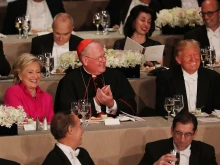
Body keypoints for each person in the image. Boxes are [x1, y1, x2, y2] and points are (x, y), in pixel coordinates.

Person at [54, 39, 137, 116]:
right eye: (99, 57)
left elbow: (132, 107)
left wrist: (111, 103)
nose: (104, 60)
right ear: (85, 60)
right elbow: (64, 114)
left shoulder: (116, 76)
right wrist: (96, 101)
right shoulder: (69, 81)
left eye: (104, 56)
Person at [155, 39, 220, 116]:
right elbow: (162, 109)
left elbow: (218, 107)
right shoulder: (166, 78)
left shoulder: (213, 77)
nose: (193, 59)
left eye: (196, 54)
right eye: (188, 55)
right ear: (178, 60)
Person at [138, 111, 218, 165]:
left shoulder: (206, 152)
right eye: (178, 133)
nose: (182, 139)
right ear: (172, 131)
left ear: (195, 133)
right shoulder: (154, 149)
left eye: (187, 134)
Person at [4, 53, 54, 122]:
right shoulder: (12, 93)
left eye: (38, 72)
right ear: (20, 75)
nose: (35, 76)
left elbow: (51, 125)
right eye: (30, 72)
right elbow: (19, 122)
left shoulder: (47, 97)